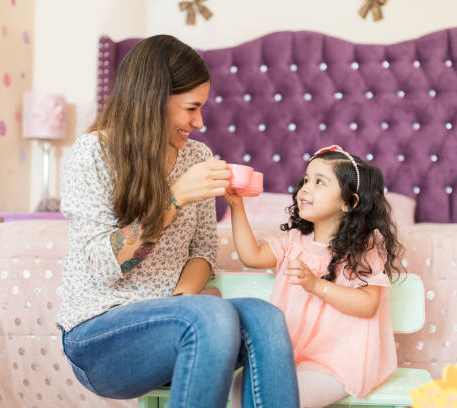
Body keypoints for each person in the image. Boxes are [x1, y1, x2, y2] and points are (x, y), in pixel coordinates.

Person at [56, 34, 299, 408]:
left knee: (264, 318)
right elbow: (103, 268)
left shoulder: (196, 156)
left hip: (180, 322)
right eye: (191, 108)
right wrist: (175, 197)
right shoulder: (94, 153)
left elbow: (203, 252)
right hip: (98, 336)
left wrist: (184, 302)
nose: (199, 122)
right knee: (211, 314)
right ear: (154, 100)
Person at [224, 145, 404, 408]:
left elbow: (367, 305)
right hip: (292, 356)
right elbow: (252, 256)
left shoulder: (363, 247)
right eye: (306, 180)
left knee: (282, 397)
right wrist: (237, 206)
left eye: (319, 182)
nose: (305, 188)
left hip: (337, 361)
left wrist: (316, 285)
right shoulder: (294, 241)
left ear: (348, 202)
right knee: (240, 387)